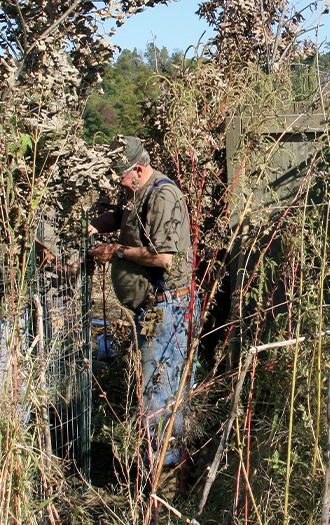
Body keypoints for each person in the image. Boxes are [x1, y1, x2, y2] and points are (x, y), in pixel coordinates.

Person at [88, 135, 195, 474]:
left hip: (167, 310)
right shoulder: (135, 193)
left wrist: (116, 251)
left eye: (119, 175)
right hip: (151, 310)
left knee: (160, 395)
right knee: (151, 389)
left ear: (137, 168)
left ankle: (165, 478)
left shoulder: (163, 196)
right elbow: (120, 216)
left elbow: (165, 258)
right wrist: (91, 226)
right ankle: (159, 466)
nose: (115, 184)